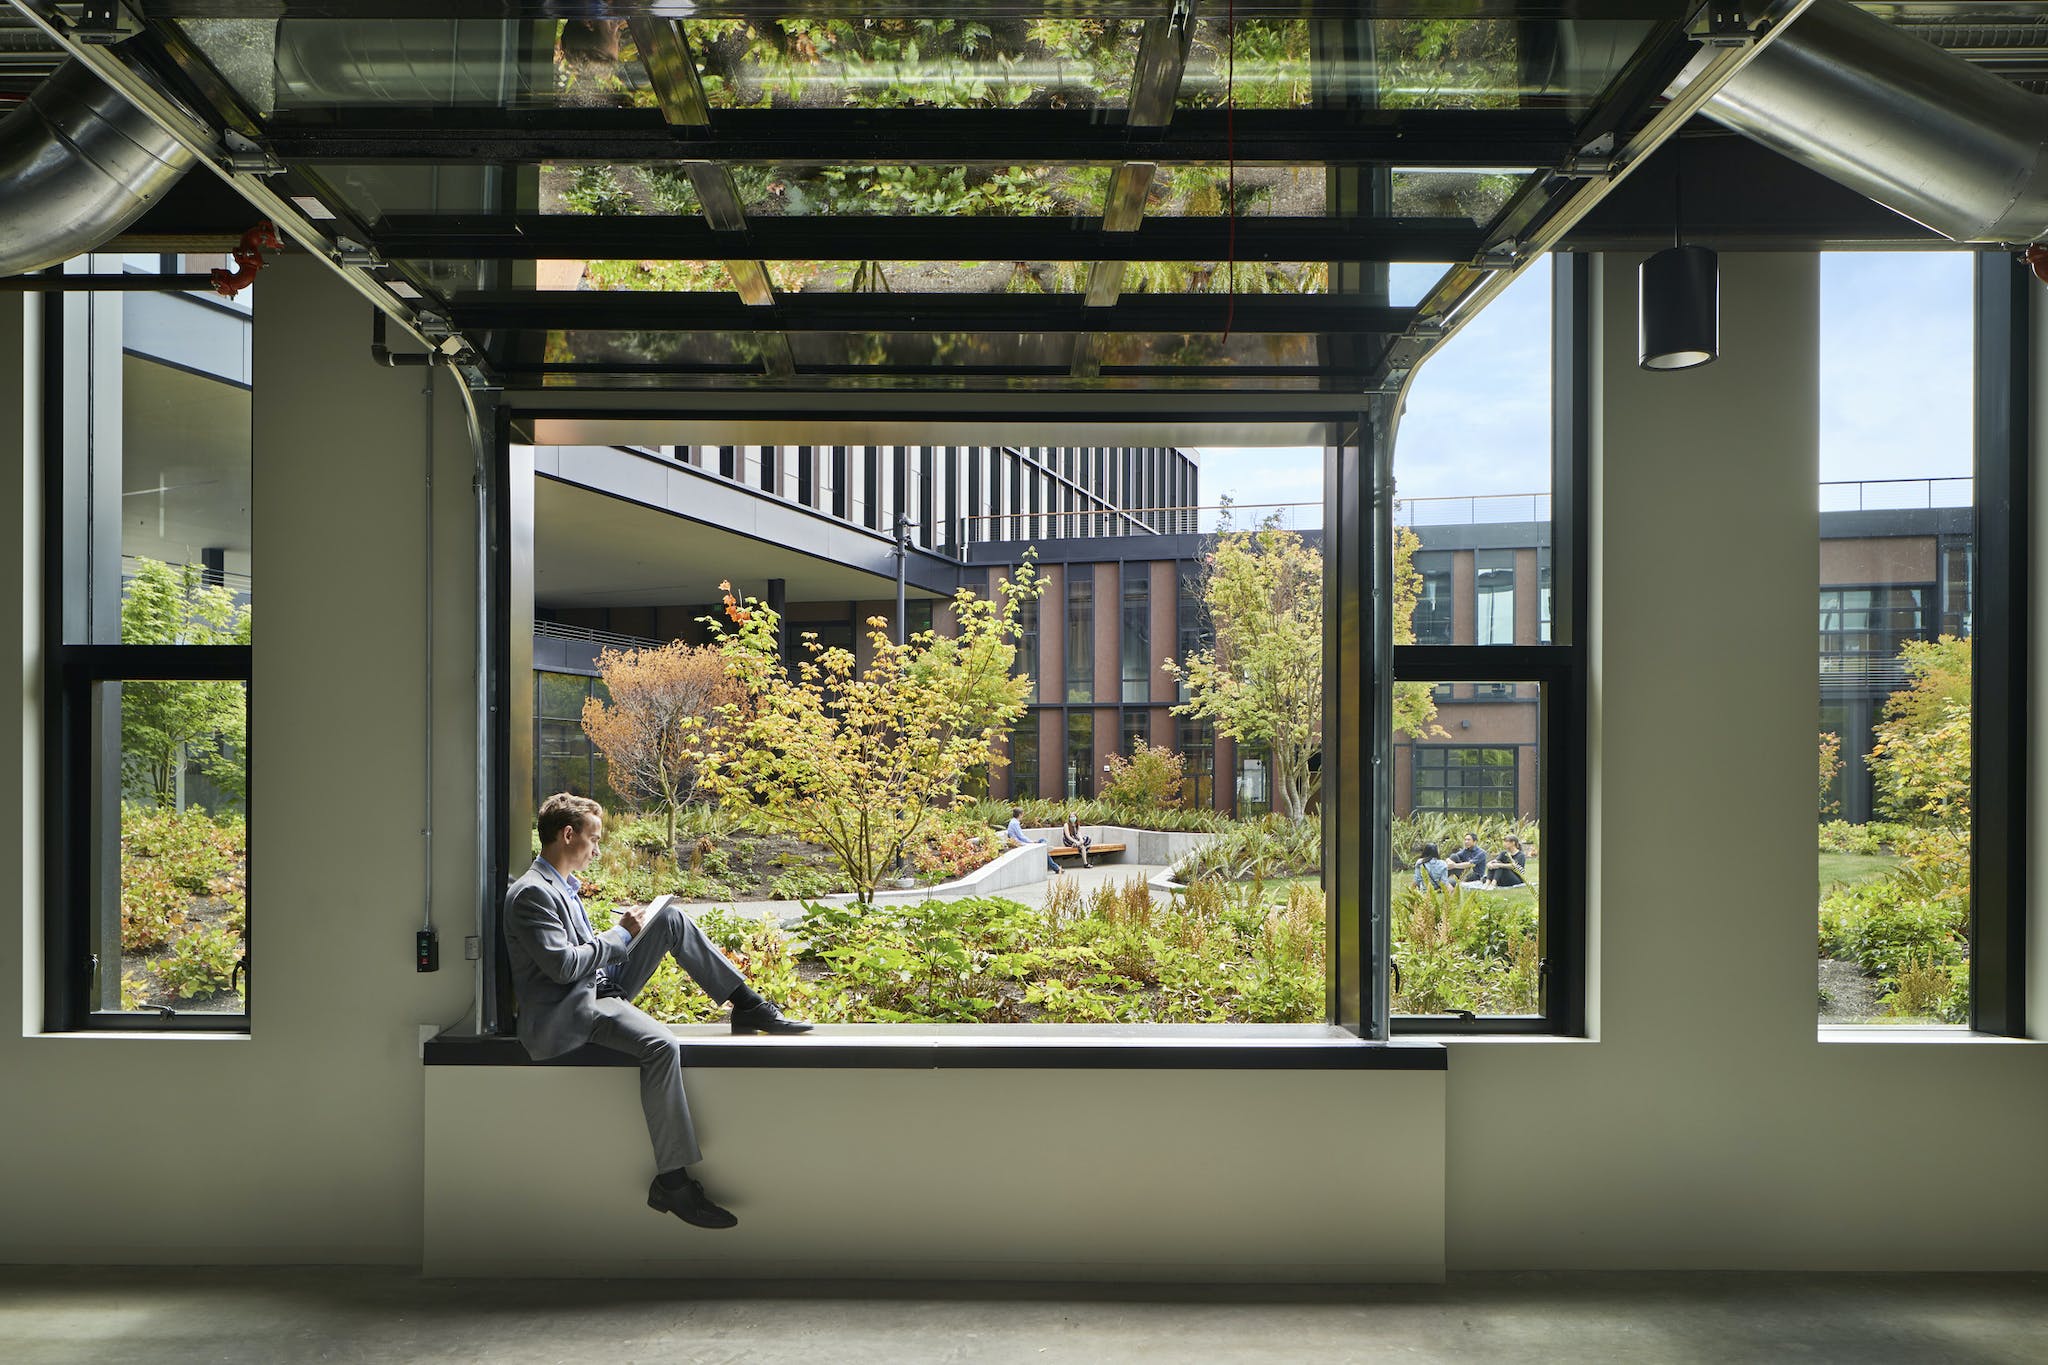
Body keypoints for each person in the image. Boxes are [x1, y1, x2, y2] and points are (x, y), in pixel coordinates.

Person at [503, 793, 812, 1232]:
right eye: (593, 840)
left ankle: (748, 1005)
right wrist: (619, 934)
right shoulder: (532, 893)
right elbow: (562, 966)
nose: (597, 850)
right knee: (661, 1045)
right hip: (570, 1008)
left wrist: (631, 930)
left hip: (594, 985)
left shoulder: (559, 886)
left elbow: (578, 956)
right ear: (567, 835)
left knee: (670, 921)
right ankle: (672, 1182)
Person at [1005, 806, 1060, 874]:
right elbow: (1021, 837)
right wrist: (1031, 842)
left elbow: (1020, 836)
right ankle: (1046, 850)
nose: (1023, 816)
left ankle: (1045, 847)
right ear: (1019, 815)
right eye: (1022, 814)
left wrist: (1032, 841)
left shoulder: (1013, 822)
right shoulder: (1015, 823)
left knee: (1042, 840)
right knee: (1043, 845)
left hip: (1020, 842)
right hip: (1020, 843)